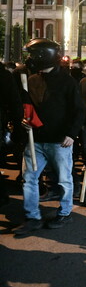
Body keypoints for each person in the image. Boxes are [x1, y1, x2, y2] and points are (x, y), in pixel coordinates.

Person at [14, 38, 85, 235]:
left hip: (60, 141)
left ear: (44, 55)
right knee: (29, 179)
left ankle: (65, 212)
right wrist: (25, 120)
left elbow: (79, 111)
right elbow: (29, 108)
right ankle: (32, 217)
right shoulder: (31, 80)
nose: (30, 58)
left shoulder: (67, 81)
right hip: (35, 139)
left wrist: (72, 134)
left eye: (33, 54)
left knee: (64, 180)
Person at [0, 62, 23, 207]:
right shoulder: (5, 76)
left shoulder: (4, 76)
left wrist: (17, 128)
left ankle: (2, 195)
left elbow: (15, 103)